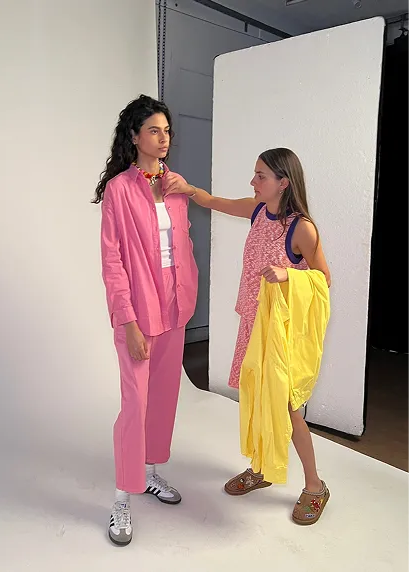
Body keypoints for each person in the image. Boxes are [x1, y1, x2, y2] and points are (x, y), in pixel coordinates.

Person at [165, 147, 331, 525]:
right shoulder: (258, 210)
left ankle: (315, 486)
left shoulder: (301, 228)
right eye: (255, 174)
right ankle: (261, 468)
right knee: (255, 398)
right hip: (252, 324)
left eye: (260, 176)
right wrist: (187, 189)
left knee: (286, 407)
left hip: (278, 333)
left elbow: (323, 279)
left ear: (283, 182)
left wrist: (289, 275)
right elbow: (214, 201)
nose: (253, 182)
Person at [94, 94, 198, 546]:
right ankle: (122, 495)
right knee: (135, 404)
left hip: (175, 306)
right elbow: (113, 261)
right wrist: (128, 321)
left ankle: (151, 472)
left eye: (167, 130)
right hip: (138, 312)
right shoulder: (119, 190)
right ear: (134, 136)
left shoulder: (175, 186)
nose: (163, 138)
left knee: (163, 397)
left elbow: (180, 245)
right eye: (154, 130)